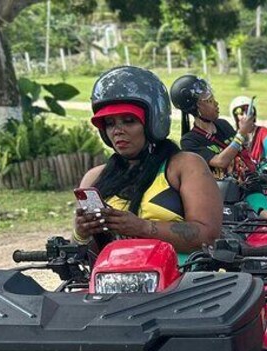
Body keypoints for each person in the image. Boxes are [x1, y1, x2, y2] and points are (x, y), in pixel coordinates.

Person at [74, 66, 222, 258]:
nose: (117, 130)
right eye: (109, 123)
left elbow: (208, 236)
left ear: (154, 120)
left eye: (128, 121)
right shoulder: (94, 178)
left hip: (181, 282)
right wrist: (81, 234)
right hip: (111, 281)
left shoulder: (185, 165)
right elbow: (81, 255)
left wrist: (143, 228)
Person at [170, 75, 267, 218]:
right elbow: (220, 162)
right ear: (196, 108)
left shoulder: (223, 125)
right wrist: (241, 133)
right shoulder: (190, 141)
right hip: (220, 198)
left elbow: (239, 150)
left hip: (248, 187)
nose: (216, 103)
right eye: (209, 101)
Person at [229, 96, 267, 161]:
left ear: (254, 115)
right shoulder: (232, 136)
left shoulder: (262, 131)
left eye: (248, 112)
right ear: (236, 118)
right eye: (241, 113)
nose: (245, 116)